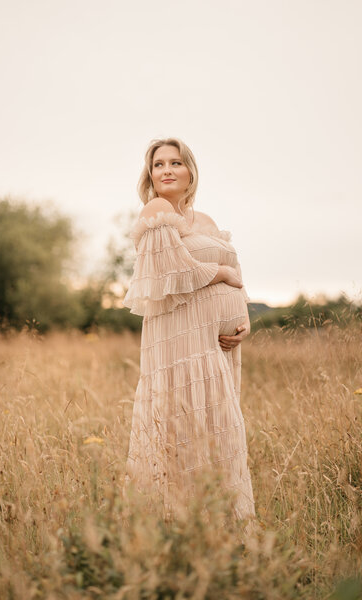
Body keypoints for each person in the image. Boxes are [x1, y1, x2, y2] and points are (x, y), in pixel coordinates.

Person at [122, 137, 255, 526]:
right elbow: (169, 271)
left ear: (190, 171)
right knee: (180, 427)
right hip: (179, 342)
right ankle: (174, 525)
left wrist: (243, 322)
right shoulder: (156, 210)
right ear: (150, 174)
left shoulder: (208, 222)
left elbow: (238, 278)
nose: (166, 170)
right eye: (158, 164)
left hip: (217, 347)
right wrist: (222, 273)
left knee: (219, 431)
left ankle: (219, 527)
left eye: (175, 163)